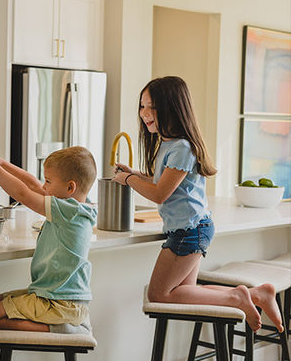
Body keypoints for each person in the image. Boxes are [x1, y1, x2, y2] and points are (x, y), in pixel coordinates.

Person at [112, 76, 283, 333]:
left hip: (188, 232)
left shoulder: (181, 147)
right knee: (185, 292)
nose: (145, 113)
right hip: (192, 228)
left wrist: (126, 179)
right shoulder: (168, 143)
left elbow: (160, 194)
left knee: (159, 295)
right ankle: (256, 294)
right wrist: (134, 174)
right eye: (142, 106)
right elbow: (164, 182)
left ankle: (238, 297)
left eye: (152, 107)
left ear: (172, 107)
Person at [0, 146, 97, 332]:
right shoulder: (75, 206)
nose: (44, 185)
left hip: (60, 302)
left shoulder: (68, 211)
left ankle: (60, 329)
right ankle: (57, 325)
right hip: (57, 295)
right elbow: (33, 185)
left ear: (70, 187)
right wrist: (1, 163)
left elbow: (24, 194)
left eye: (48, 181)